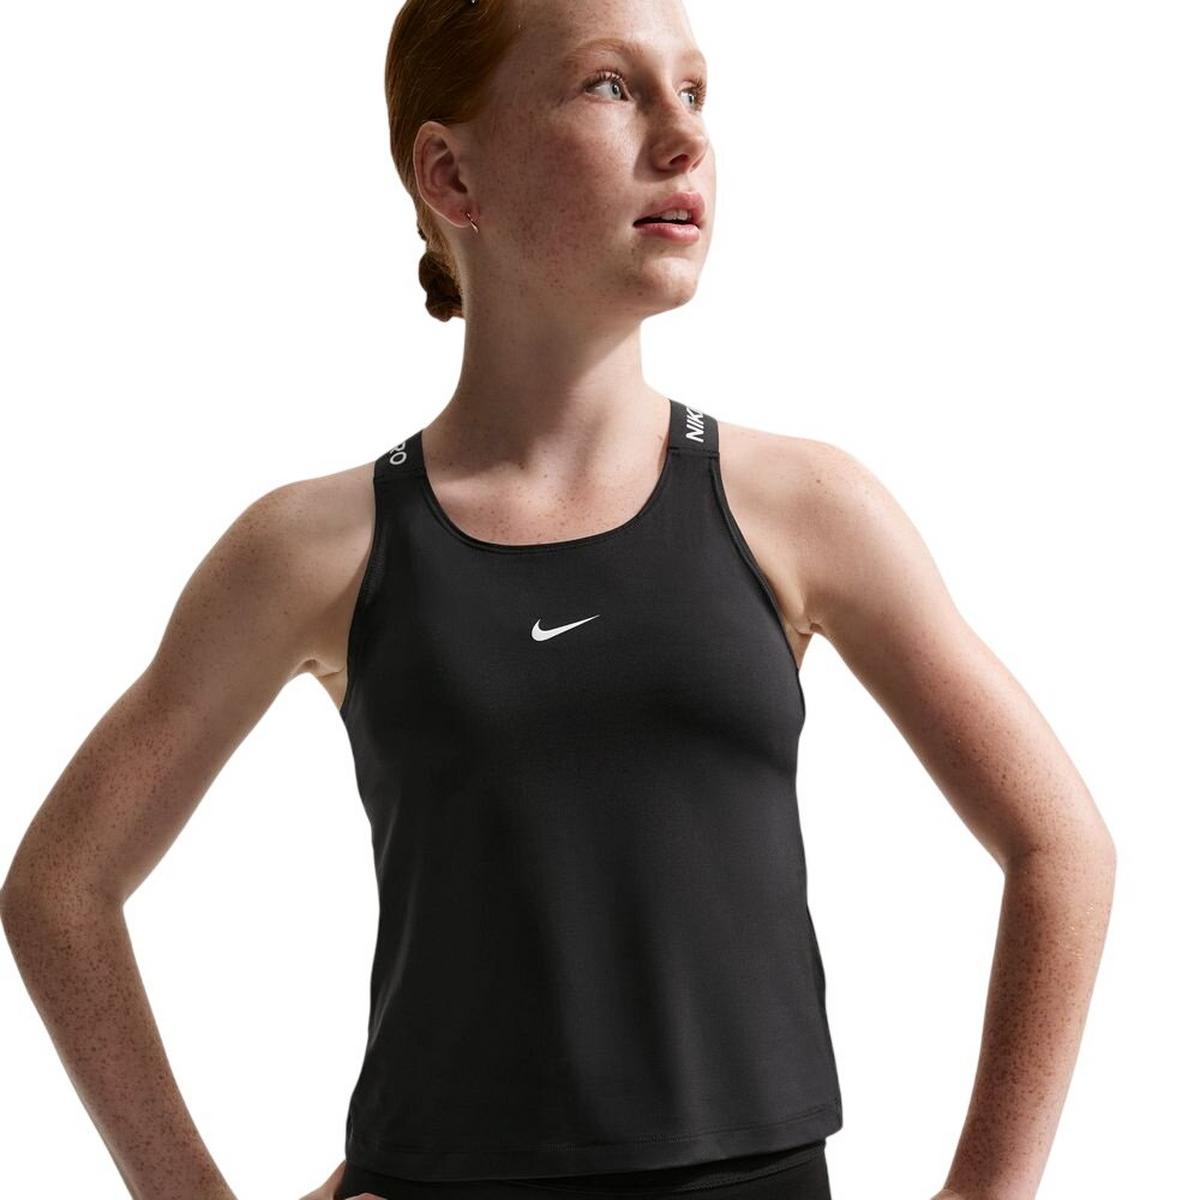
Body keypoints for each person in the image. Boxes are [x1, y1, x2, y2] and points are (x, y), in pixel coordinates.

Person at [0, 2, 1117, 1199]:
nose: (685, 137)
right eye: (611, 87)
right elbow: (61, 891)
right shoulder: (318, 547)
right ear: (451, 175)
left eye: (694, 91)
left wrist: (984, 1193)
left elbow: (1061, 847)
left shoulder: (804, 507)